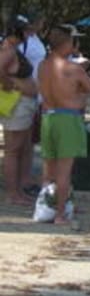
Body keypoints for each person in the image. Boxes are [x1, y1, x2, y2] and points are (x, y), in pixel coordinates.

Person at [36, 26, 90, 224]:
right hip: (68, 118)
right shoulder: (73, 68)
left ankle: (46, 207)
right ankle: (60, 214)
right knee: (64, 171)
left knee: (48, 168)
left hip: (48, 117)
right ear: (67, 44)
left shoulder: (43, 65)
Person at [0, 23, 39, 205]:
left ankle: (17, 191)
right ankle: (12, 194)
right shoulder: (8, 50)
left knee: (20, 149)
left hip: (24, 103)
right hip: (18, 104)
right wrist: (12, 83)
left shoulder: (12, 49)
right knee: (13, 150)